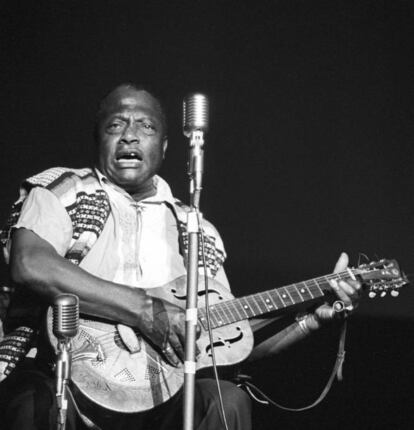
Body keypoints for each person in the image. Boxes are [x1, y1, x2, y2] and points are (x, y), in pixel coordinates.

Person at [0, 83, 361, 430]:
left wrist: (312, 318)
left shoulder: (196, 229)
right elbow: (30, 265)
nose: (129, 135)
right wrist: (142, 310)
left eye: (146, 125)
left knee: (226, 400)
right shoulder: (62, 190)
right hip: (65, 379)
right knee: (30, 404)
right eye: (115, 125)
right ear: (100, 139)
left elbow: (228, 342)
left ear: (165, 145)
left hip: (164, 398)